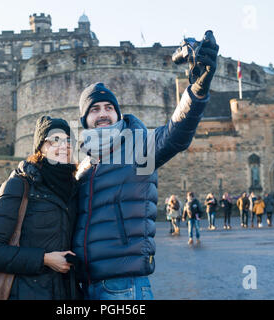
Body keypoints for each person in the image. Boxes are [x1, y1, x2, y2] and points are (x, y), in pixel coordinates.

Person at [72, 33, 218, 300]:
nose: (103, 113)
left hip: (123, 286)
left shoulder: (139, 147)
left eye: (108, 107)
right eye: (94, 109)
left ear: (117, 113)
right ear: (85, 119)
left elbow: (175, 134)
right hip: (83, 285)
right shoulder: (83, 166)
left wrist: (197, 91)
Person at [0, 116, 79, 300]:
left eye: (69, 141)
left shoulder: (74, 189)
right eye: (55, 140)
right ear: (41, 147)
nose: (64, 146)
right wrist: (45, 259)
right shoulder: (19, 185)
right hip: (26, 292)